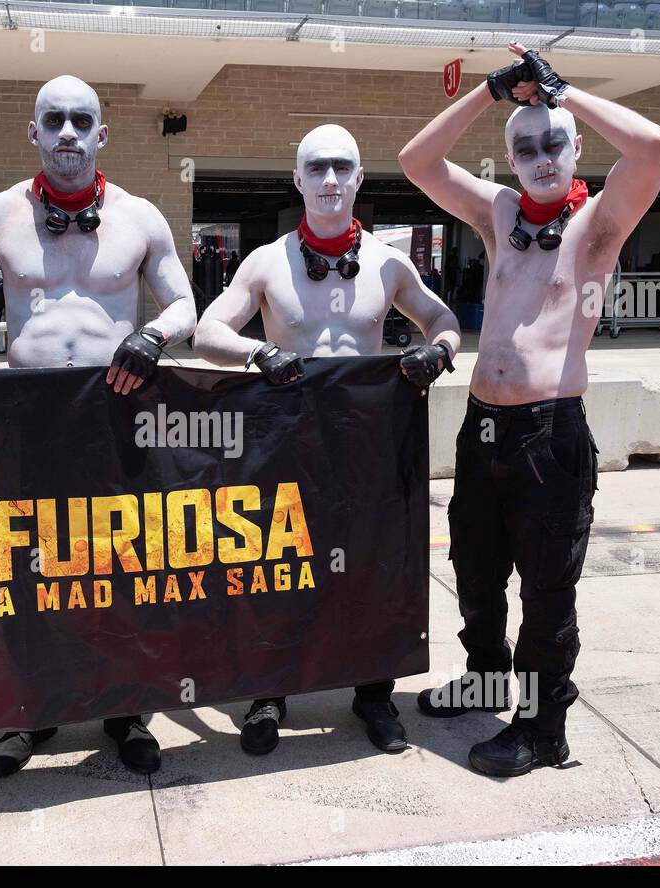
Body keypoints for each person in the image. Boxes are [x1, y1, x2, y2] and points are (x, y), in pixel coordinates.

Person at [0, 75, 196, 777]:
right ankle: (28, 713)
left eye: (83, 120)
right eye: (54, 120)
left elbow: (184, 305)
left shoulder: (142, 218)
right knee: (30, 573)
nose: (69, 133)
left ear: (102, 134)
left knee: (124, 572)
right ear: (34, 132)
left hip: (117, 422)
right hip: (28, 427)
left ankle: (127, 712)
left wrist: (154, 338)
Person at [398, 42, 660, 776]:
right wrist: (490, 92)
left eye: (555, 143)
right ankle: (484, 682)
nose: (543, 156)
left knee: (547, 591)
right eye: (527, 148)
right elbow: (416, 162)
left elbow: (653, 146)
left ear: (576, 146)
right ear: (510, 158)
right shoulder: (498, 213)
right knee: (477, 575)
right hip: (482, 429)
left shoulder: (599, 225)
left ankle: (543, 727)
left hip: (550, 436)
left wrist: (565, 91)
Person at [193, 124, 461, 756]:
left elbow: (444, 319)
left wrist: (438, 351)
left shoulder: (391, 264)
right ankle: (268, 693)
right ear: (298, 179)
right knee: (276, 567)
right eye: (316, 168)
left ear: (360, 179)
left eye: (342, 168)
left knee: (370, 569)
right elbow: (207, 332)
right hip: (284, 442)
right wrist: (259, 351)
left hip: (366, 444)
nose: (330, 181)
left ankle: (372, 694)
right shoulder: (265, 260)